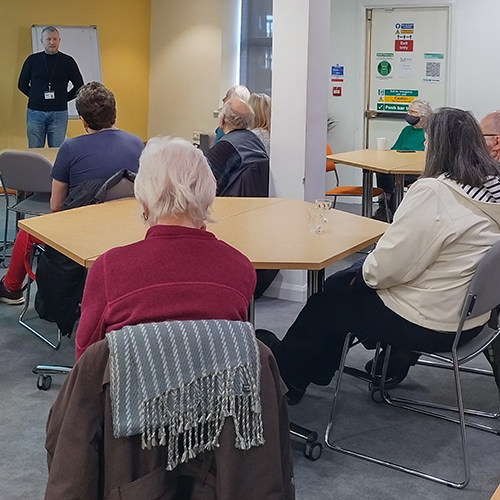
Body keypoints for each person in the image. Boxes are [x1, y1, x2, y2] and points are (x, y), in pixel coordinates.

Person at [257, 107, 500, 405]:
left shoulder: (436, 193)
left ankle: (288, 380)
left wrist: (362, 273)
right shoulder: (489, 193)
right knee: (341, 289)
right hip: (468, 319)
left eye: (426, 140)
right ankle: (309, 369)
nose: (424, 147)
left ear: (439, 145)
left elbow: (386, 268)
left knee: (330, 296)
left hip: (429, 323)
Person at [74, 137, 257, 360]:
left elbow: (86, 360)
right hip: (216, 393)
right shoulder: (240, 268)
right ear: (208, 199)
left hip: (132, 393)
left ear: (144, 205)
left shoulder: (108, 269)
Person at [0, 82, 143, 306]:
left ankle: (11, 288)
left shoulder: (70, 148)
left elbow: (56, 205)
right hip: (126, 231)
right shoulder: (136, 143)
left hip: (83, 236)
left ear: (83, 120)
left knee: (28, 233)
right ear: (114, 112)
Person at [18, 26, 84, 148]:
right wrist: (35, 96)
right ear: (42, 41)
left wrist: (64, 98)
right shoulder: (32, 60)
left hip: (59, 113)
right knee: (34, 151)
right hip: (35, 112)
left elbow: (79, 86)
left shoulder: (68, 61)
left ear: (59, 40)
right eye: (48, 39)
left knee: (57, 151)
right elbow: (21, 84)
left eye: (55, 39)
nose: (52, 42)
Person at [373, 98, 433, 222]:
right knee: (382, 171)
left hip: (417, 170)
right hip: (399, 167)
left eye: (412, 112)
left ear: (422, 116)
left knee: (394, 177)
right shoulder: (407, 130)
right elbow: (395, 149)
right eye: (408, 111)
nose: (408, 115)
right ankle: (384, 207)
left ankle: (393, 211)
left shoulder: (430, 133)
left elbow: (426, 155)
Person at [206, 98, 268, 195]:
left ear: (223, 119)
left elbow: (203, 183)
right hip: (255, 204)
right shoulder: (255, 141)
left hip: (228, 205)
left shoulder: (224, 147)